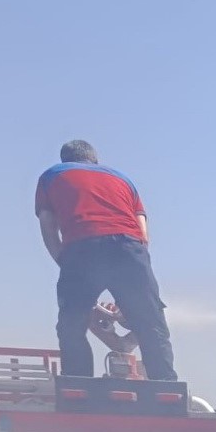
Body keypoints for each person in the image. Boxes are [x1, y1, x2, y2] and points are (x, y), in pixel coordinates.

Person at [34, 140, 178, 380]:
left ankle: (78, 386)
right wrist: (134, 282)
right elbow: (142, 232)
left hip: (82, 245)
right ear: (95, 160)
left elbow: (48, 227)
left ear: (64, 160)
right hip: (129, 247)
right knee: (151, 322)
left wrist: (66, 264)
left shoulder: (51, 176)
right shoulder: (122, 178)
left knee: (72, 325)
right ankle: (166, 387)